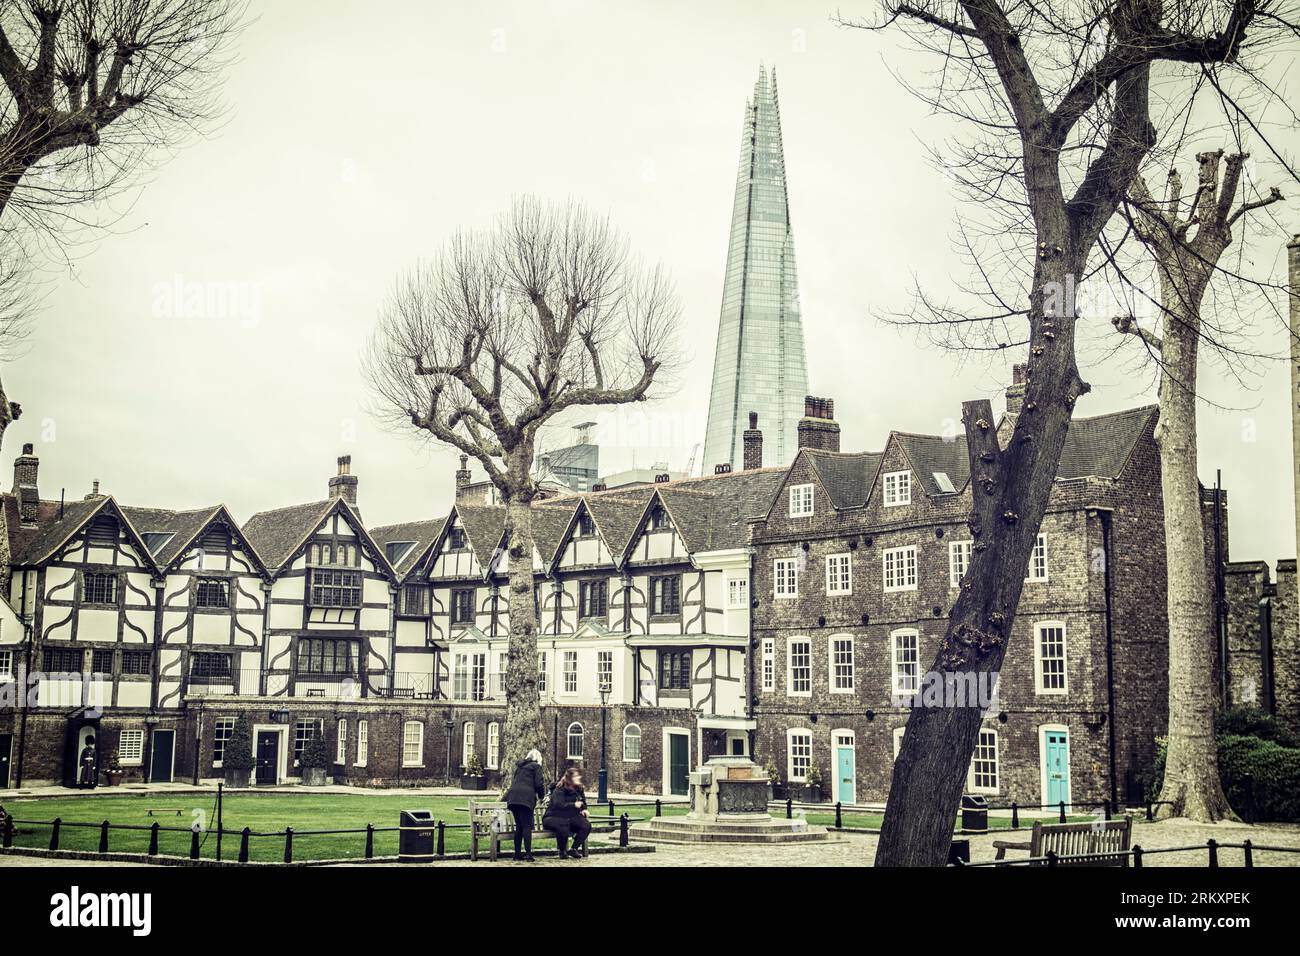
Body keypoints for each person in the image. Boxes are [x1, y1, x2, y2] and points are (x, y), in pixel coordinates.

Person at [502, 748, 546, 862]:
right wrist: (542, 796)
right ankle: (528, 854)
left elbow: (515, 782)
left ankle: (517, 854)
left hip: (513, 798)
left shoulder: (520, 767)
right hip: (525, 799)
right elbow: (539, 784)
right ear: (538, 759)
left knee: (519, 827)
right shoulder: (536, 767)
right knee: (526, 826)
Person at [542, 767, 591, 859]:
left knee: (586, 825)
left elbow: (582, 801)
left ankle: (574, 848)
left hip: (570, 816)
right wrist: (573, 805)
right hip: (553, 816)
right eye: (576, 776)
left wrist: (584, 809)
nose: (578, 778)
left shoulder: (579, 789)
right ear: (570, 778)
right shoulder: (559, 789)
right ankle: (562, 851)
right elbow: (558, 805)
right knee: (563, 824)